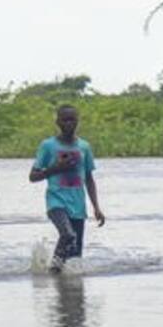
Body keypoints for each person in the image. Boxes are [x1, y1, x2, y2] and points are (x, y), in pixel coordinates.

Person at [29, 105, 105, 272]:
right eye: (65, 120)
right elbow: (33, 177)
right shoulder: (48, 146)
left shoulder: (84, 147)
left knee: (75, 259)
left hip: (78, 206)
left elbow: (89, 179)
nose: (69, 124)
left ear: (78, 122)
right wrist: (55, 168)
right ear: (58, 122)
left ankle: (69, 292)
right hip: (56, 203)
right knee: (68, 235)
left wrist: (96, 207)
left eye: (73, 120)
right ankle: (53, 271)